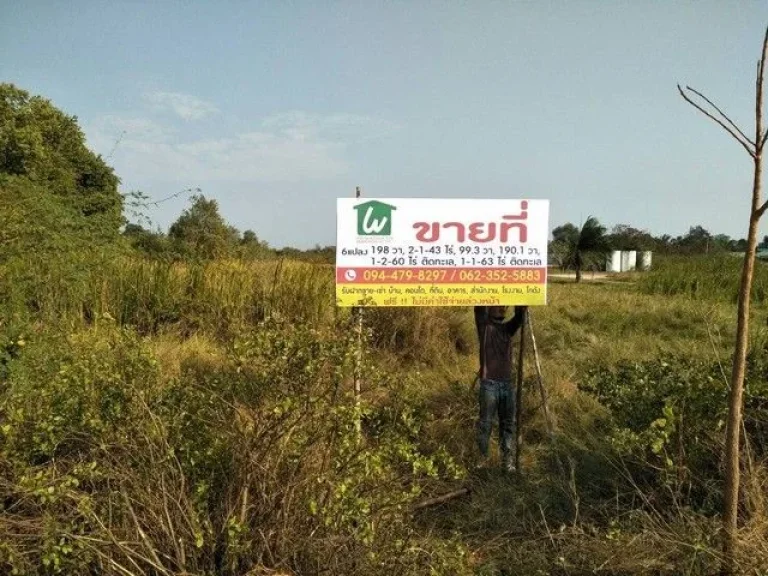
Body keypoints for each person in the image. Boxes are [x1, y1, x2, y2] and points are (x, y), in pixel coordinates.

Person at [474, 305, 527, 472]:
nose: (502, 309)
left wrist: (522, 303)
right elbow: (479, 306)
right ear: (489, 308)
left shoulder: (507, 329)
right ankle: (482, 460)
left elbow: (520, 316)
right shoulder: (484, 327)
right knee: (486, 424)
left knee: (508, 424)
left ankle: (507, 462)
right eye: (498, 306)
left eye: (504, 307)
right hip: (489, 384)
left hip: (506, 384)